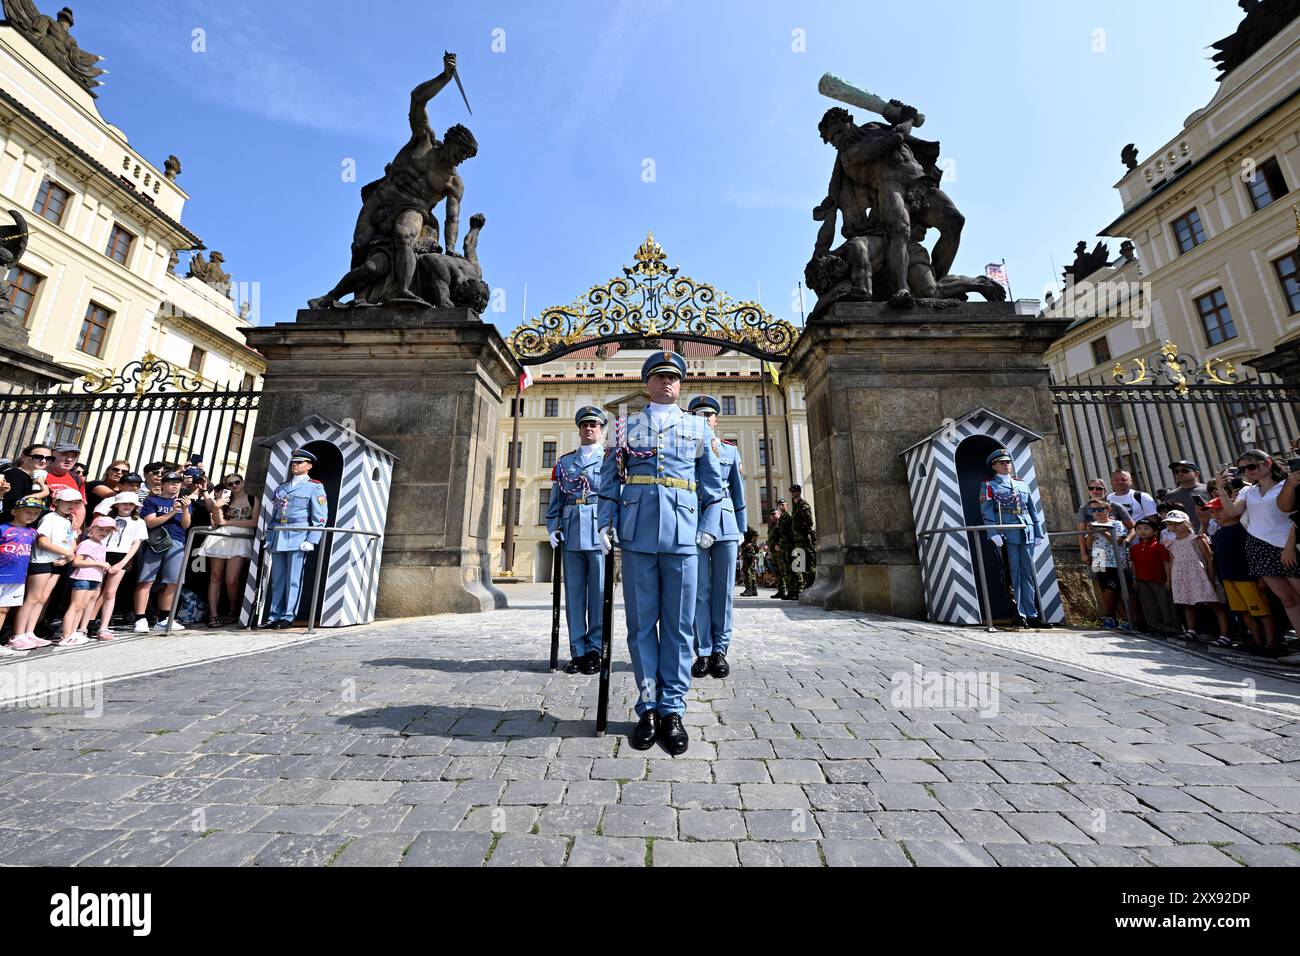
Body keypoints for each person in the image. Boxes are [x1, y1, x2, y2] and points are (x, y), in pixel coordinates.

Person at [597, 351, 725, 755]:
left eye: (673, 376)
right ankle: (648, 706)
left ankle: (673, 709)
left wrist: (708, 529)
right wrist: (605, 521)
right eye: (659, 376)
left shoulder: (698, 429)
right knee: (640, 626)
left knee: (680, 627)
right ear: (647, 382)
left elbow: (714, 489)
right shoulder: (623, 427)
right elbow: (607, 482)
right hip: (636, 535)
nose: (666, 382)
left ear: (681, 384)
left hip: (685, 535)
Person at [1214, 449, 1300, 651]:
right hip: (1259, 547)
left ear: (1267, 463)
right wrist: (1220, 489)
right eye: (1243, 469)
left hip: (1286, 545)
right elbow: (1233, 512)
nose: (1248, 471)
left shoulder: (1287, 484)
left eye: (1251, 466)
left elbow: (1295, 516)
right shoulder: (1248, 491)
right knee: (1287, 600)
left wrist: (1289, 547)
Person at [545, 406, 608, 674]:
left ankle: (595, 649)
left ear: (602, 429)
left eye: (594, 425)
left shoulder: (609, 460)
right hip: (570, 532)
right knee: (574, 595)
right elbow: (555, 502)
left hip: (597, 531)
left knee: (598, 594)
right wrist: (552, 527)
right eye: (584, 425)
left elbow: (614, 497)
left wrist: (611, 527)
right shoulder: (564, 462)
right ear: (579, 429)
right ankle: (577, 651)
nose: (589, 429)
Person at [688, 395, 745, 680]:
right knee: (700, 591)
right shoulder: (687, 450)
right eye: (698, 415)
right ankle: (704, 651)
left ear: (716, 420)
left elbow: (738, 491)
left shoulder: (729, 451)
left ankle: (720, 649)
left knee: (723, 591)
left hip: (725, 522)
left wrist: (742, 529)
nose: (704, 419)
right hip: (693, 521)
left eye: (708, 415)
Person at [8, 487, 81, 649]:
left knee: (42, 599)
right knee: (32, 598)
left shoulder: (68, 520)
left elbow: (71, 540)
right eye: (68, 501)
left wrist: (66, 557)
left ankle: (29, 632)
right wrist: (67, 554)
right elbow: (42, 541)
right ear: (57, 502)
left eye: (75, 502)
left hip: (57, 562)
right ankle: (17, 635)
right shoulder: (50, 518)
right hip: (41, 560)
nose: (71, 505)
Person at [980, 448, 1046, 626]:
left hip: (1026, 531)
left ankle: (1032, 614)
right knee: (1013, 573)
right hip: (1006, 532)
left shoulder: (1022, 484)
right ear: (994, 466)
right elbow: (987, 511)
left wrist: (1038, 531)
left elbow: (1032, 509)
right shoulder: (989, 486)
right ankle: (1018, 613)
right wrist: (993, 532)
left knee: (1028, 573)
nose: (1007, 465)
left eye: (1008, 462)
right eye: (1002, 462)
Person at [1207, 495, 1279, 655]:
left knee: (1261, 611)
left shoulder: (1243, 530)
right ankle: (1257, 640)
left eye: (1219, 510)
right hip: (1228, 578)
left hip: (1247, 578)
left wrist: (1260, 577)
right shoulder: (1218, 534)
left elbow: (1251, 555)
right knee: (1243, 611)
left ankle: (1271, 642)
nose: (1215, 514)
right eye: (1212, 512)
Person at [264, 449, 328, 629]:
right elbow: (275, 515)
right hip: (279, 535)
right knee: (277, 579)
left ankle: (288, 615)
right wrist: (270, 536)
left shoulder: (314, 487)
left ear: (309, 466)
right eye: (293, 463)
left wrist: (312, 539)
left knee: (293, 579)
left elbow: (320, 516)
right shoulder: (283, 487)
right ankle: (273, 615)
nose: (295, 465)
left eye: (299, 463)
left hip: (299, 536)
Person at [134, 471, 193, 633]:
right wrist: (173, 512)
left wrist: (185, 509)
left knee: (173, 582)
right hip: (155, 542)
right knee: (146, 580)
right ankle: (140, 619)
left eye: (178, 482)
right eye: (171, 482)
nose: (174, 485)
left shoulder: (185, 502)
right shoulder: (152, 501)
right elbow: (150, 523)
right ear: (164, 484)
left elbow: (186, 525)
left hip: (177, 541)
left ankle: (165, 618)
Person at [1162, 509, 1231, 644]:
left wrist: (1210, 578)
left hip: (1200, 575)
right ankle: (1191, 630)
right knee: (1187, 603)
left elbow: (1209, 559)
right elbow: (1172, 561)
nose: (1173, 527)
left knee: (1214, 604)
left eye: (1177, 523)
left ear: (1186, 523)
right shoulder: (1171, 544)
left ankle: (1225, 634)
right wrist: (1170, 579)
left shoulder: (1197, 539)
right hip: (1183, 576)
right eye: (1170, 524)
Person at [200, 473, 257, 627]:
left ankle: (233, 609)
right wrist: (217, 507)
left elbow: (254, 522)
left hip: (240, 538)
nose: (234, 486)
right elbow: (218, 521)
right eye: (230, 484)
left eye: (237, 482)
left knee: (231, 579)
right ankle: (213, 614)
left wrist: (229, 521)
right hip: (220, 537)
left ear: (242, 482)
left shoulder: (253, 499)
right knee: (215, 576)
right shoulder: (225, 499)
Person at [91, 492, 146, 641]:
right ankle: (87, 623)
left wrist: (123, 562)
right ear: (116, 505)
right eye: (124, 503)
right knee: (94, 591)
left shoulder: (138, 522)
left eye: (130, 504)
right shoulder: (107, 519)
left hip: (121, 556)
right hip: (102, 553)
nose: (127, 506)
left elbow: (136, 543)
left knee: (110, 592)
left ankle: (103, 625)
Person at [58, 517, 115, 646]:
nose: (104, 533)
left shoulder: (101, 545)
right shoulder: (86, 543)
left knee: (82, 607)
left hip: (94, 579)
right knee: (75, 606)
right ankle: (66, 635)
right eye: (100, 529)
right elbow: (77, 562)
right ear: (91, 529)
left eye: (108, 531)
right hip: (83, 577)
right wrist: (99, 564)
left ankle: (73, 633)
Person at [0, 496, 42, 655]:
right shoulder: (3, 529)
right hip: (1, 575)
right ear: (13, 511)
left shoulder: (33, 533)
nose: (31, 516)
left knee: (3, 610)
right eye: (27, 512)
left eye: (36, 513)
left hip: (17, 578)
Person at [1084, 500, 1133, 632]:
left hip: (1115, 560)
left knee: (1112, 589)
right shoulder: (1093, 524)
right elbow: (1089, 545)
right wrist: (1091, 533)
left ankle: (1110, 616)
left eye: (1099, 509)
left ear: (1108, 509)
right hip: (1099, 558)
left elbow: (1117, 541)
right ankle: (1116, 619)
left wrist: (1101, 531)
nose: (1096, 513)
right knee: (1106, 590)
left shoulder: (1116, 524)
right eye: (1093, 510)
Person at [1128, 518, 1178, 636]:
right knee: (1148, 605)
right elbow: (1134, 564)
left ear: (1155, 531)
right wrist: (1134, 578)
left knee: (1165, 604)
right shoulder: (1134, 548)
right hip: (1142, 580)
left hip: (1159, 579)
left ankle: (1171, 627)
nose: (1142, 531)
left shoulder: (1160, 547)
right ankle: (1154, 626)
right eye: (1139, 529)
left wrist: (1168, 580)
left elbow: (1166, 564)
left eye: (1146, 528)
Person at [0, 444, 52, 523]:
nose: (44, 461)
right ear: (23, 457)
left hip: (30, 529)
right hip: (11, 529)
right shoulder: (14, 474)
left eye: (48, 458)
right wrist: (44, 493)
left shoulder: (38, 477)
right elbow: (14, 503)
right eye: (38, 457)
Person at [43, 443, 86, 531]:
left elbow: (80, 507)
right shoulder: (40, 474)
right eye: (64, 454)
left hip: (65, 529)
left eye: (74, 456)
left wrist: (76, 529)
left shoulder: (77, 479)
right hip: (42, 525)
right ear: (52, 455)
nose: (69, 459)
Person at [1165, 460, 1209, 532]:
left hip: (1209, 533)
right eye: (1177, 472)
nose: (1180, 473)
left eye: (1185, 471)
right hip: (1183, 537)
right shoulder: (1170, 495)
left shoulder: (1207, 489)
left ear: (1196, 473)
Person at [790, 484, 816, 592]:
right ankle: (805, 585)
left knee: (809, 563)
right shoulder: (796, 506)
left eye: (795, 491)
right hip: (797, 540)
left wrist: (803, 530)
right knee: (801, 564)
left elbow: (809, 522)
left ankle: (811, 585)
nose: (793, 494)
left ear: (799, 492)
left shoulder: (803, 505)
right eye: (792, 492)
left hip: (804, 539)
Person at [776, 499, 799, 599]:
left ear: (786, 505)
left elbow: (792, 530)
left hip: (791, 546)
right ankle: (791, 591)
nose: (781, 507)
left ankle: (798, 591)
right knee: (788, 569)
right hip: (785, 547)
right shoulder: (781, 518)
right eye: (779, 505)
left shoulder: (789, 516)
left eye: (782, 504)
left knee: (795, 568)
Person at [766, 507, 786, 598]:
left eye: (774, 514)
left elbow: (784, 535)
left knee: (783, 571)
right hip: (773, 552)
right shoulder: (772, 526)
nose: (773, 516)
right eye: (771, 515)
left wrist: (780, 544)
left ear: (778, 514)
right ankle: (781, 590)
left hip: (780, 551)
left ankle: (788, 590)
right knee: (777, 572)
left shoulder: (781, 524)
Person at [739, 529, 759, 597]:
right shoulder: (743, 529)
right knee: (751, 572)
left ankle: (749, 589)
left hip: (749, 553)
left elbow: (756, 533)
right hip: (747, 553)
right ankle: (754, 590)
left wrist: (752, 544)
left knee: (747, 571)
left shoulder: (746, 528)